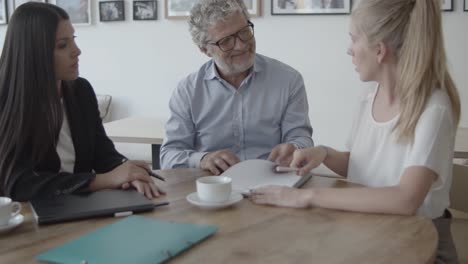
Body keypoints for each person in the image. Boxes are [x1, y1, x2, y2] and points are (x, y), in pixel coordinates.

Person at [250, 0, 460, 262]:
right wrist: (323, 153)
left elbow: (406, 199)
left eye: (353, 39)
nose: (348, 50)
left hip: (422, 243)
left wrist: (304, 196)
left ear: (379, 50)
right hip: (371, 230)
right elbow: (363, 165)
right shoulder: (369, 97)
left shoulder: (433, 108)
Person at [0, 3, 164, 201]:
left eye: (73, 40)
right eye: (62, 45)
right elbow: (19, 185)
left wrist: (127, 170)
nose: (76, 51)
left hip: (78, 209)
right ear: (34, 52)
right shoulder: (7, 102)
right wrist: (105, 180)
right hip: (28, 221)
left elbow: (103, 154)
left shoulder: (80, 91)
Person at [160, 0, 313, 175]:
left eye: (244, 32)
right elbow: (168, 156)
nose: (241, 45)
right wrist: (202, 159)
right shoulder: (187, 91)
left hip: (272, 180)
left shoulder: (288, 79)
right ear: (205, 50)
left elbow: (302, 138)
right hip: (213, 185)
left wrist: (295, 147)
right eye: (226, 41)